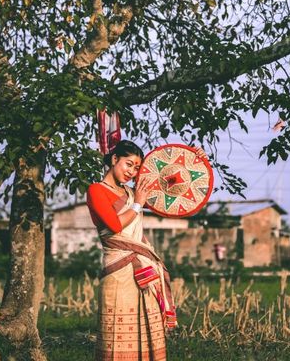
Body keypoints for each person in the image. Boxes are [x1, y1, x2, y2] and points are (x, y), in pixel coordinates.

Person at [86, 140, 204, 361]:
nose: (132, 171)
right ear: (114, 160)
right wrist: (138, 204)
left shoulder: (132, 193)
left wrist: (194, 162)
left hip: (143, 274)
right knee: (116, 338)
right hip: (118, 273)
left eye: (136, 168)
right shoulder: (96, 190)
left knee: (148, 331)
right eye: (128, 164)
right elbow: (115, 225)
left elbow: (172, 192)